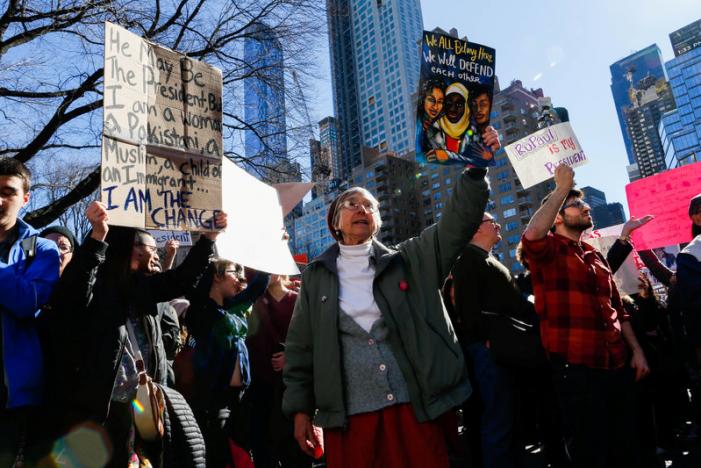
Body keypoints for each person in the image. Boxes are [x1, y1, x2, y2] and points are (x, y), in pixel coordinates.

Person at [283, 128, 500, 468]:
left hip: (416, 410)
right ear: (335, 223)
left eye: (369, 205)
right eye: (351, 204)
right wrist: (300, 409)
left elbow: (456, 224)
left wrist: (475, 171)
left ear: (377, 220)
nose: (361, 208)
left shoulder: (412, 259)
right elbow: (300, 350)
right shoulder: (315, 279)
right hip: (351, 421)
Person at [54, 200, 226, 466]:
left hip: (144, 408)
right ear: (127, 249)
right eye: (148, 246)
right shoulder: (95, 288)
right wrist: (99, 234)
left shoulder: (143, 291)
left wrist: (207, 239)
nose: (155, 253)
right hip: (101, 412)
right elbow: (72, 293)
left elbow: (180, 280)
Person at [520, 164, 649, 468]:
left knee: (624, 445)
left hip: (616, 363)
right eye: (577, 205)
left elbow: (619, 310)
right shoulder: (548, 251)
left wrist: (638, 352)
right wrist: (562, 188)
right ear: (559, 217)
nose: (587, 207)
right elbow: (532, 234)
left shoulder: (595, 256)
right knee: (591, 450)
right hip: (576, 368)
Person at [451, 213, 526, 468]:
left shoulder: (486, 258)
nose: (498, 225)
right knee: (498, 419)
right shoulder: (467, 261)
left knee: (510, 416)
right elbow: (467, 311)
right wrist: (486, 341)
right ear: (474, 231)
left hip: (502, 349)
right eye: (491, 222)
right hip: (490, 353)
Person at [0, 158, 60, 466]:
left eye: (8, 192)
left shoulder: (42, 249)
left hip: (10, 395)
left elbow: (27, 302)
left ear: (25, 198)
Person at [184, 260, 270, 467]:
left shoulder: (234, 306)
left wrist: (268, 253)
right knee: (219, 456)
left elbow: (257, 287)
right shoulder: (200, 312)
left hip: (240, 398)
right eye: (234, 274)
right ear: (217, 276)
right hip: (214, 402)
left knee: (242, 454)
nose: (240, 281)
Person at [247, 274, 312, 468]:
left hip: (290, 387)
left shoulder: (297, 300)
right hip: (261, 385)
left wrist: (290, 357)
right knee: (264, 448)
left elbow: (312, 340)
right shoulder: (253, 302)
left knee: (293, 448)